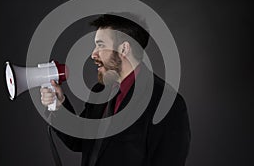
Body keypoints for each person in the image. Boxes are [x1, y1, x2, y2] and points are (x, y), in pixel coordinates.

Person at [40, 14, 191, 166]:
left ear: (124, 49)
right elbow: (79, 141)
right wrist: (59, 106)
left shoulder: (166, 103)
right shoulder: (100, 91)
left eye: (101, 45)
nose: (93, 54)